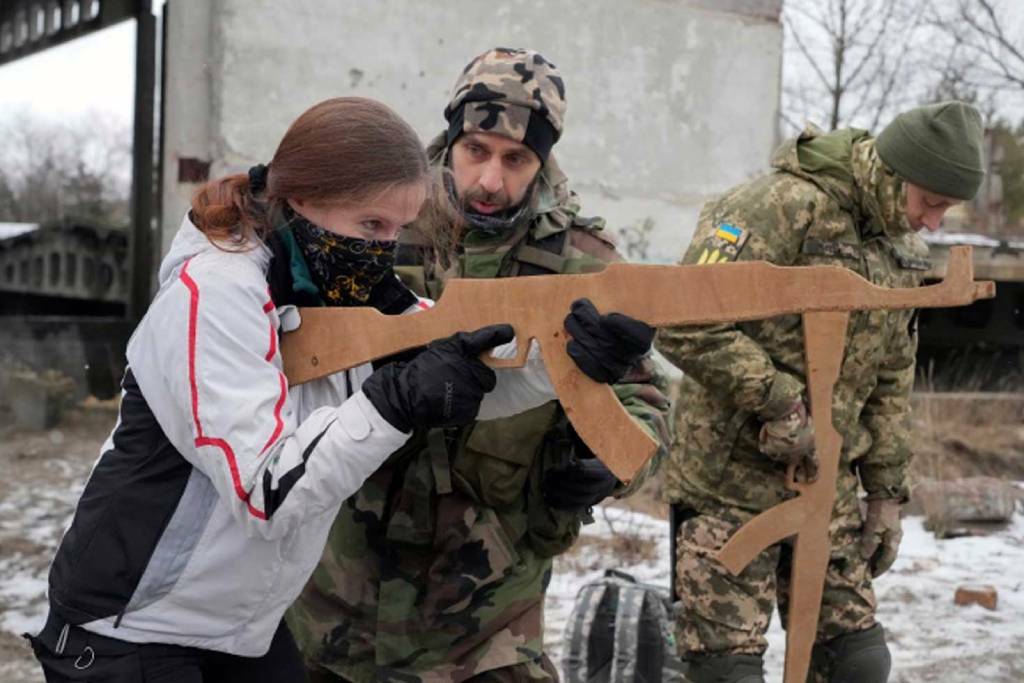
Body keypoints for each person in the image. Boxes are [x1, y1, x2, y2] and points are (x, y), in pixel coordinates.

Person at [27, 97, 648, 683]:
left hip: (241, 630)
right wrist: (394, 402)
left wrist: (568, 359)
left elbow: (466, 374)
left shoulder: (341, 284)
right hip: (129, 630)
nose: (382, 251)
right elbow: (265, 494)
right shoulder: (213, 293)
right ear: (300, 199)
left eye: (397, 229)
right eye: (370, 224)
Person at [288, 48, 672, 682]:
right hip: (335, 589)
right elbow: (287, 347)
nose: (491, 180)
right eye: (477, 151)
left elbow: (647, 404)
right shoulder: (380, 216)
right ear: (453, 138)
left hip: (488, 610)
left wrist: (609, 462)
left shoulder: (583, 261)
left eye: (516, 159)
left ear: (543, 160)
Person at [656, 101, 985, 683]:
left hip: (827, 490)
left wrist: (885, 494)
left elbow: (891, 378)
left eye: (946, 208)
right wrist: (778, 397)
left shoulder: (903, 249)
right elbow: (682, 319)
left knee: (857, 663)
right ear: (894, 170)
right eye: (930, 201)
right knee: (726, 671)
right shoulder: (776, 206)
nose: (934, 221)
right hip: (726, 491)